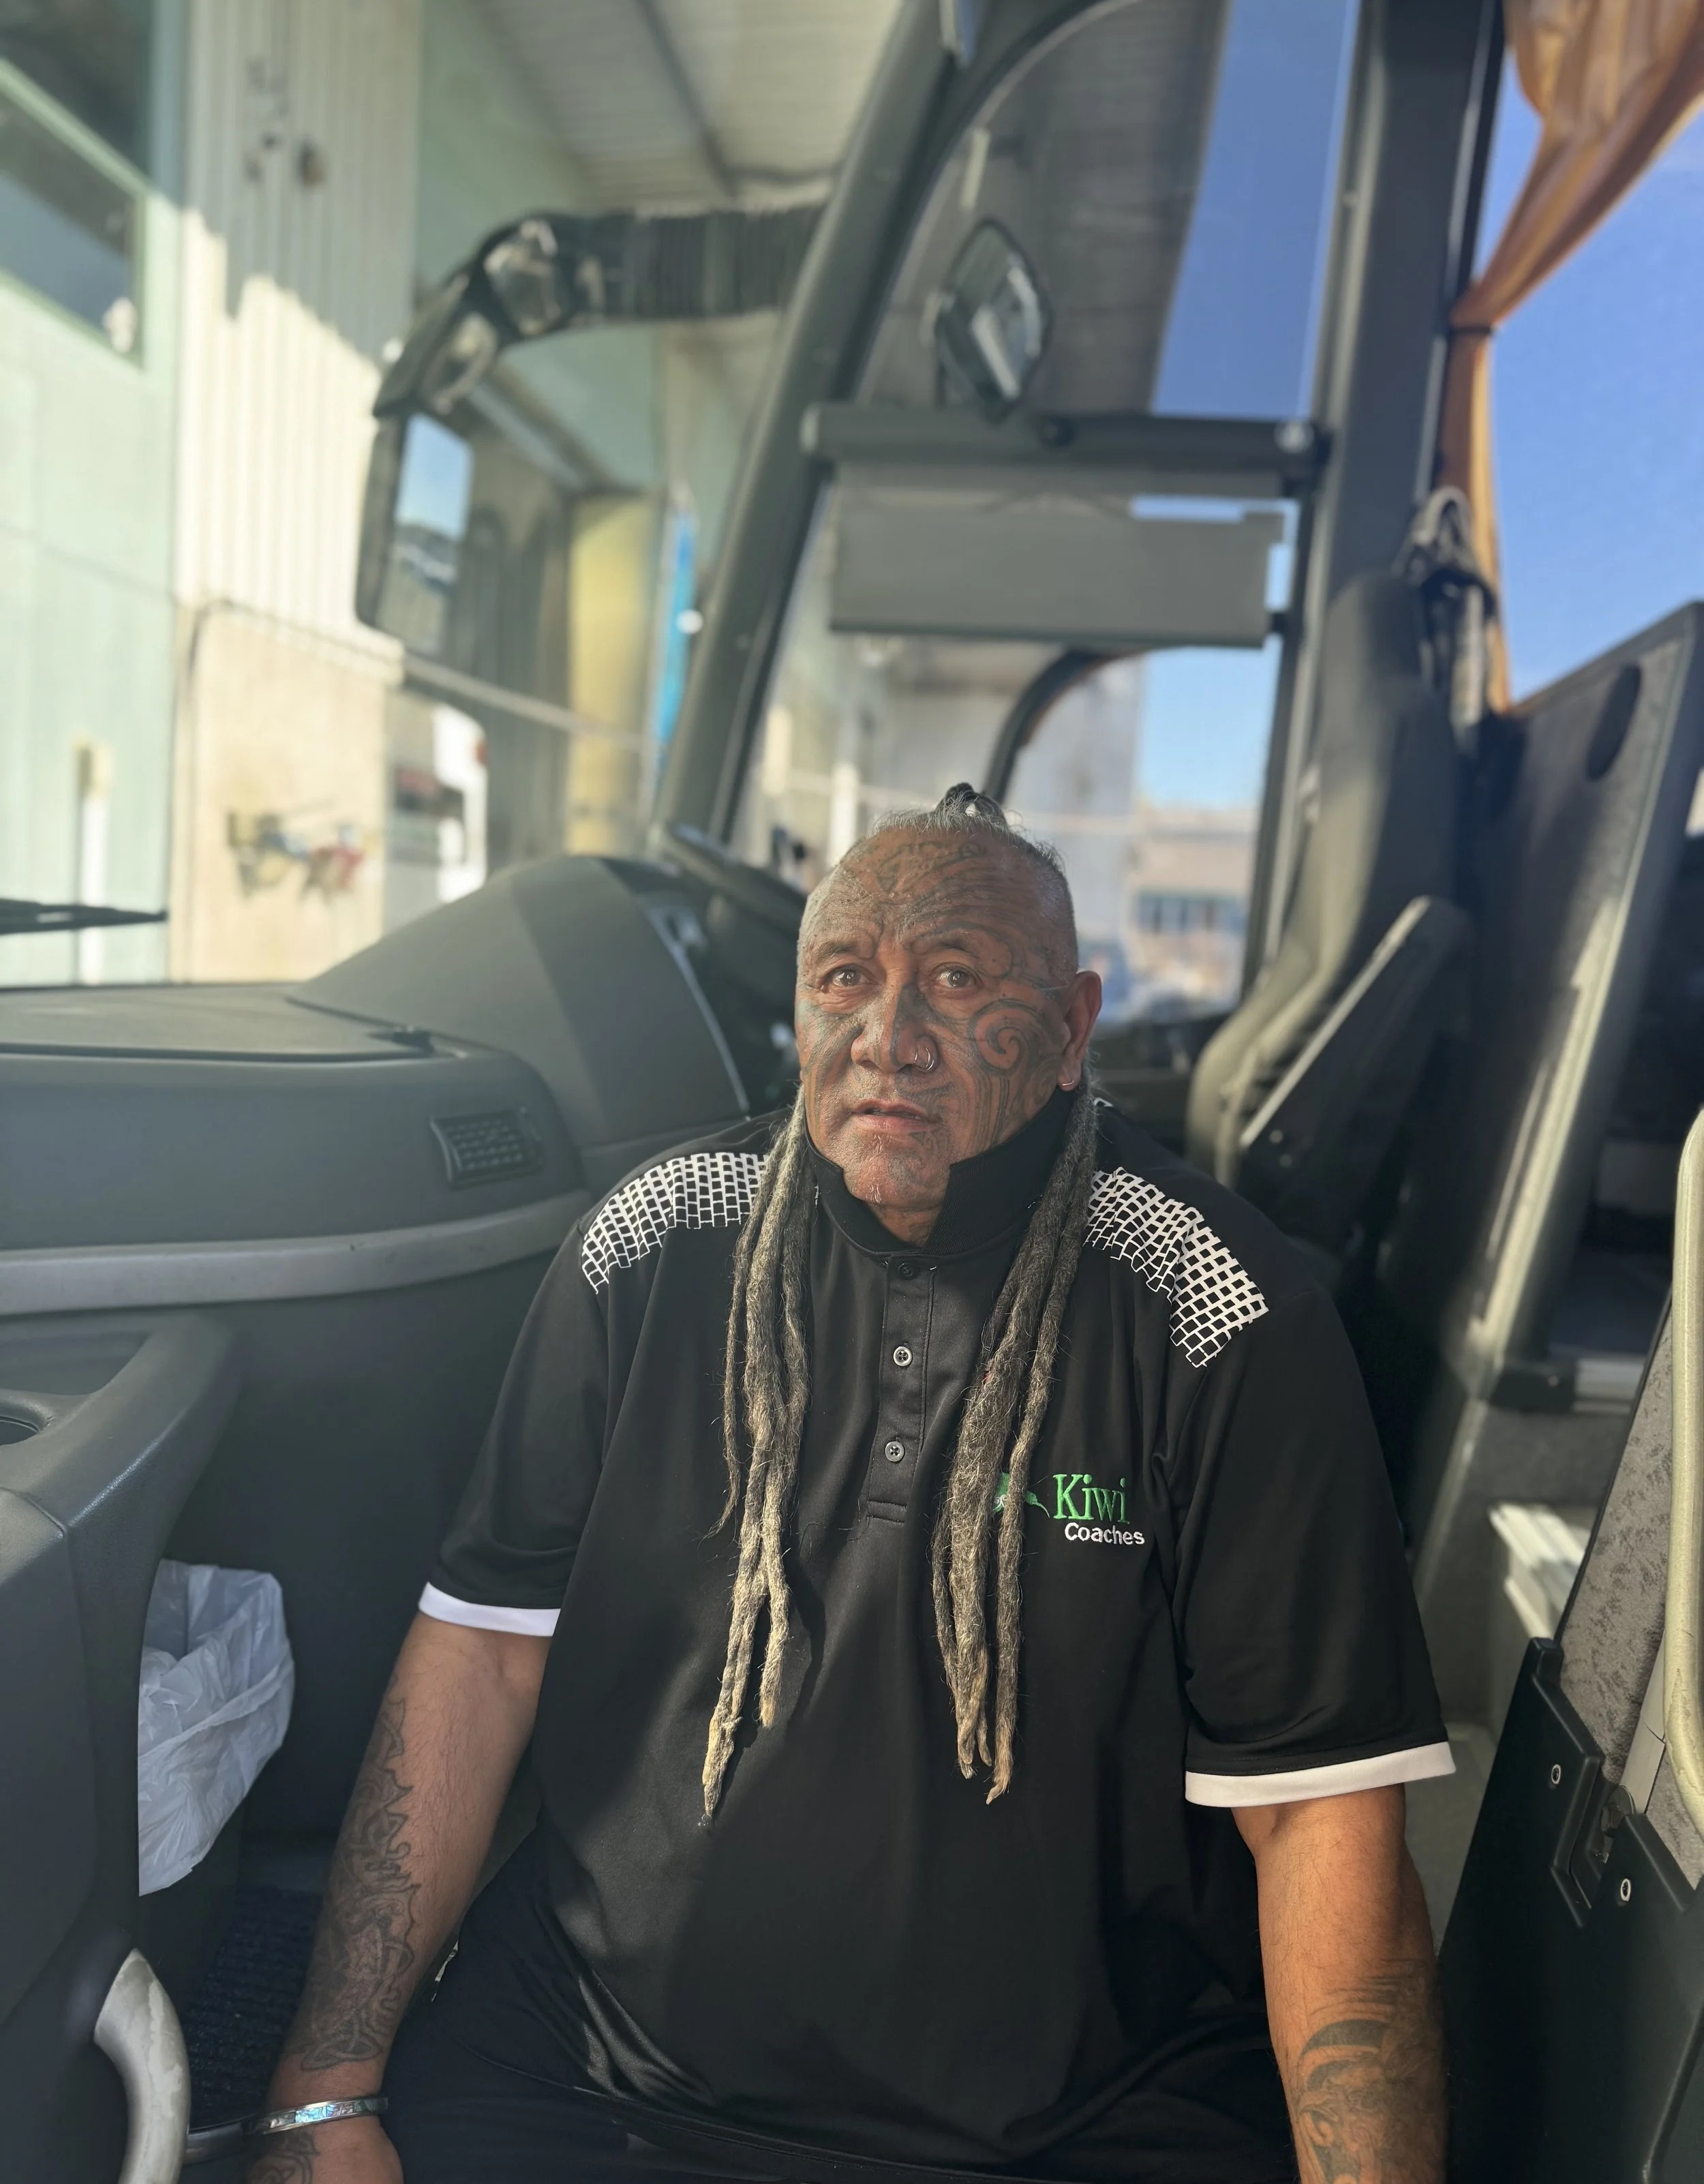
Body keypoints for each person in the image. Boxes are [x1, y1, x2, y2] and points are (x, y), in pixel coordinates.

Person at [248, 786, 1452, 2184]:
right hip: (600, 2076)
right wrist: (322, 2091)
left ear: (1071, 1029)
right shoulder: (650, 1247)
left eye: (952, 979)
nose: (888, 1037)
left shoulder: (1211, 1313)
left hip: (1079, 2123)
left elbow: (1316, 1815)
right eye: (844, 980)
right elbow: (477, 1662)